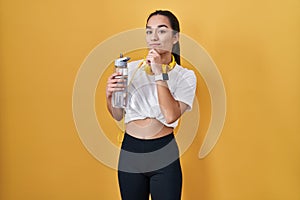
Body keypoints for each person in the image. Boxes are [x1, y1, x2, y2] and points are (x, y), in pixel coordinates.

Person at [106, 10, 197, 200]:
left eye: (162, 31)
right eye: (149, 31)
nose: (154, 37)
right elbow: (117, 114)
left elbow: (171, 115)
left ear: (175, 37)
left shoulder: (185, 76)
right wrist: (110, 95)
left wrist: (158, 73)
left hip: (164, 153)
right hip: (130, 152)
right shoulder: (130, 69)